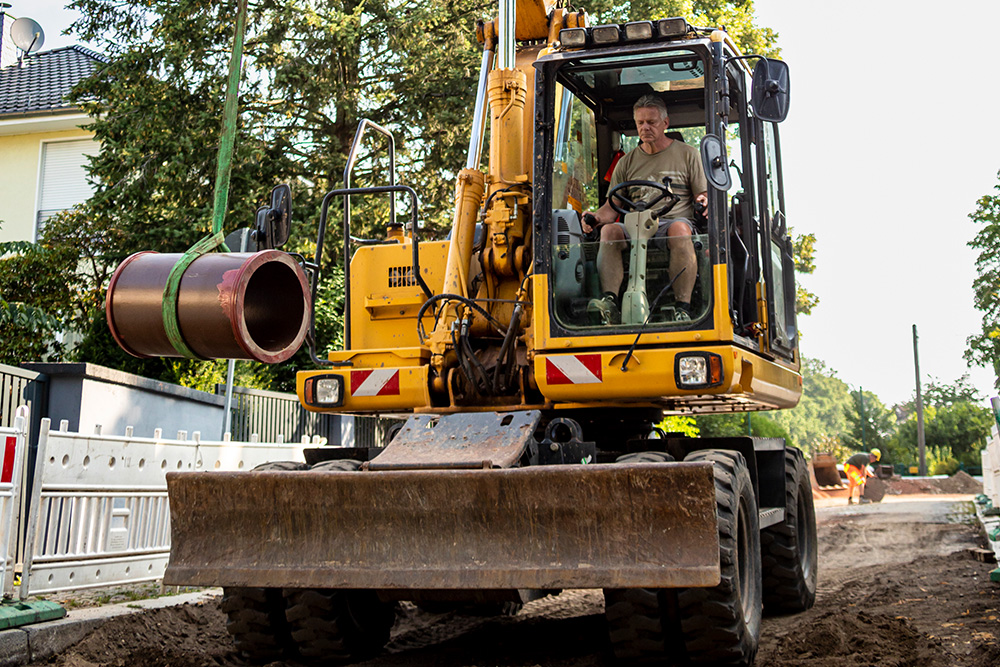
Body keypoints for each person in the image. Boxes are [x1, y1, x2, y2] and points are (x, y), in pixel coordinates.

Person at [583, 94, 708, 324]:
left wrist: (704, 199)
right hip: (635, 225)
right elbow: (612, 207)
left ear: (665, 124)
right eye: (640, 123)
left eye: (651, 122)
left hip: (671, 222)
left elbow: (703, 194)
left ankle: (683, 307)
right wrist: (594, 217)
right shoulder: (626, 163)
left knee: (680, 229)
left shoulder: (688, 154)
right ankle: (609, 302)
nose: (645, 127)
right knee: (609, 231)